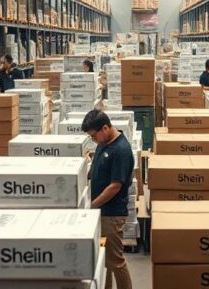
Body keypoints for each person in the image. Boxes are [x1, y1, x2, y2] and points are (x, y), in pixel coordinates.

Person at [82, 110, 134, 289]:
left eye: (94, 136)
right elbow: (97, 166)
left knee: (115, 261)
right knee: (103, 262)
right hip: (101, 212)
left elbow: (115, 186)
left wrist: (91, 206)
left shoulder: (121, 151)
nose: (93, 139)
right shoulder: (103, 142)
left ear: (105, 128)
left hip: (111, 215)